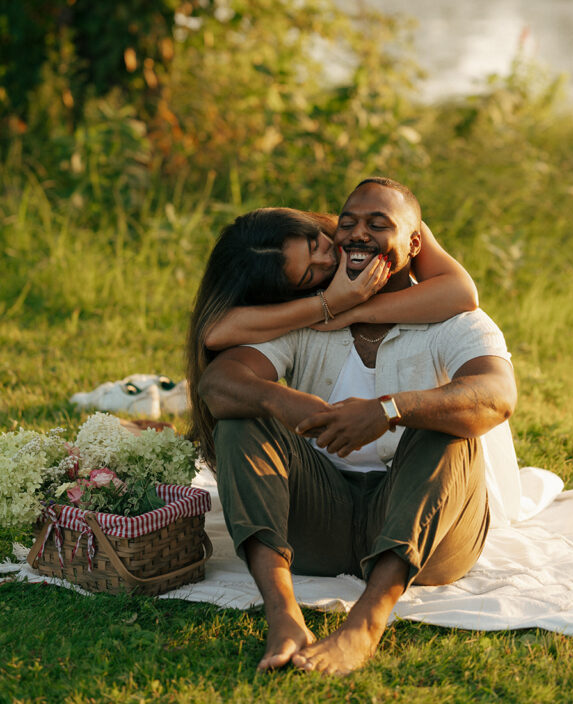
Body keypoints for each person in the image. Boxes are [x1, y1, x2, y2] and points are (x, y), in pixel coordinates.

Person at [198, 177, 517, 676]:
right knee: (243, 420)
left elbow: (497, 397)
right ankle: (284, 616)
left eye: (378, 224)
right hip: (321, 520)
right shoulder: (310, 316)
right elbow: (218, 383)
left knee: (448, 425)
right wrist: (284, 401)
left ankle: (364, 627)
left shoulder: (455, 318)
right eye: (346, 224)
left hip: (429, 536)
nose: (357, 234)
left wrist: (389, 410)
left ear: (415, 244)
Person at [187, 197, 478, 470]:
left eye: (316, 244)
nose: (327, 261)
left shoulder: (374, 221)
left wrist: (352, 309)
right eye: (308, 274)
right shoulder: (306, 300)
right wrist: (328, 303)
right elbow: (214, 334)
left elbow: (462, 293)